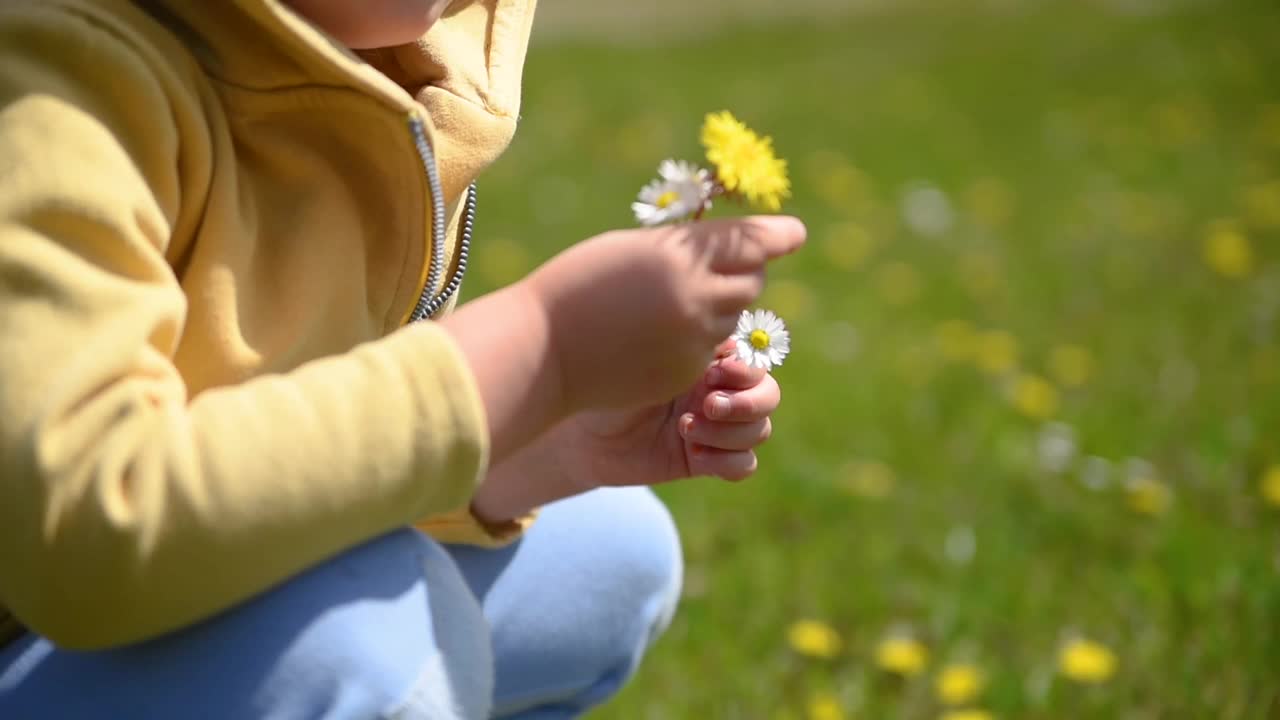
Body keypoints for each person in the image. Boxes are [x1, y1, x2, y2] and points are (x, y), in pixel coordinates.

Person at [0, 0, 805, 717]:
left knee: (610, 556)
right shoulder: (60, 82)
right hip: (39, 620)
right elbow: (89, 528)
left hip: (151, 591)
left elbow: (305, 459)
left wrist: (544, 444)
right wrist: (541, 348)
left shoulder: (386, 69)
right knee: (369, 648)